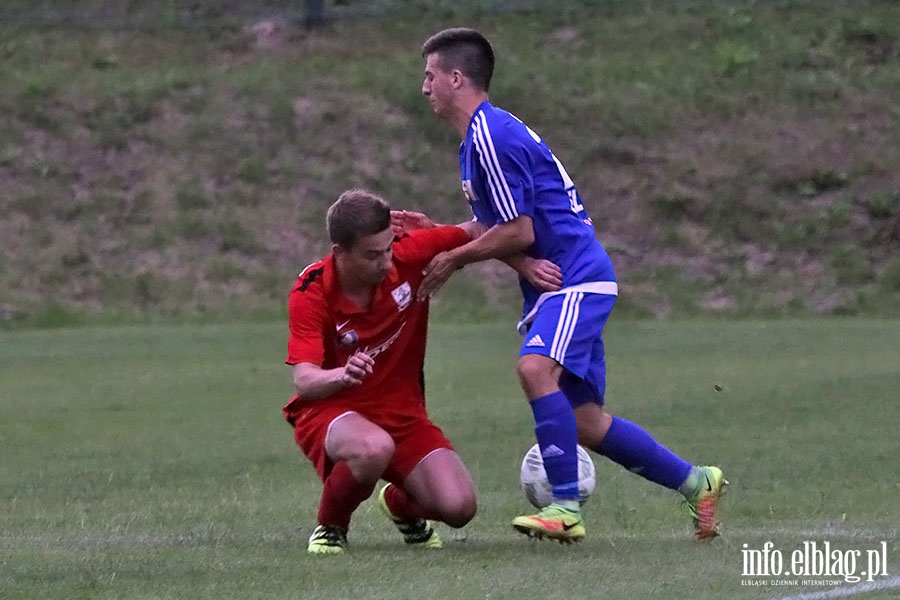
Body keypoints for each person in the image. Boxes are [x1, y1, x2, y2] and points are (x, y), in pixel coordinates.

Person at [411, 27, 727, 543]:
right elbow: (496, 225)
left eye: (429, 76)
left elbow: (519, 230)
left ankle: (564, 509)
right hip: (563, 283)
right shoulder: (480, 140)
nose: (423, 87)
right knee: (583, 422)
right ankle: (697, 482)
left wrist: (455, 259)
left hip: (574, 280)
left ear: (455, 77)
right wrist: (437, 234)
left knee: (534, 368)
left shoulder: (490, 134)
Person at [283, 188, 479, 555]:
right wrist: (341, 375)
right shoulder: (312, 291)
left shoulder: (408, 254)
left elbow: (482, 229)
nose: (386, 262)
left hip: (403, 416)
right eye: (373, 255)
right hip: (332, 411)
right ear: (339, 253)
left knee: (459, 508)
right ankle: (331, 527)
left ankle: (399, 505)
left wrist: (441, 236)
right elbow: (304, 380)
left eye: (388, 247)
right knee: (373, 448)